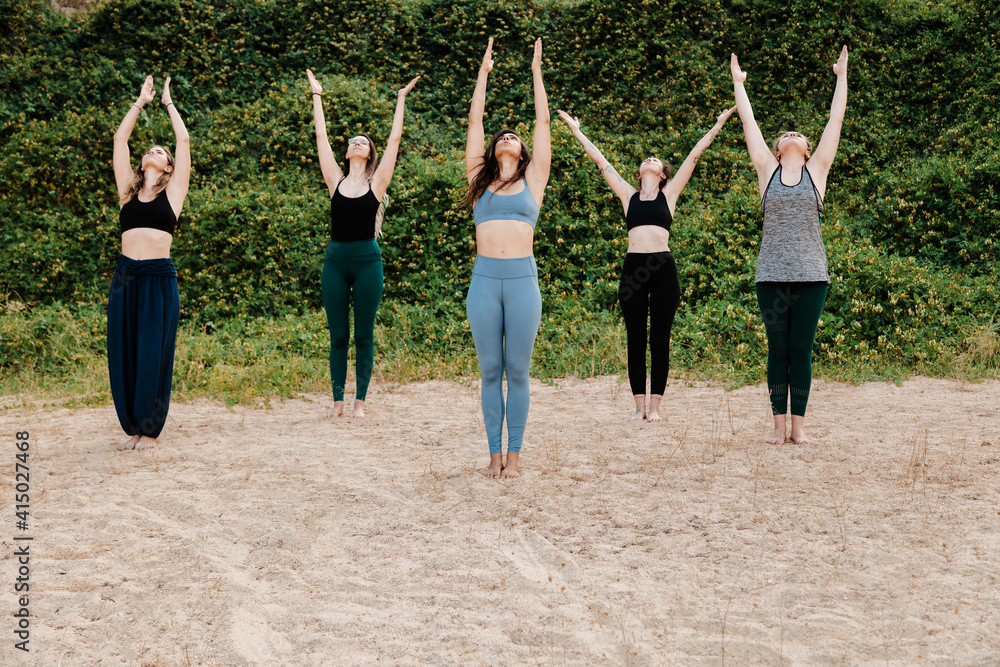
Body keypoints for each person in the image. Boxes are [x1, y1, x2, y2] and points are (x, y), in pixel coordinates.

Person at [558, 106, 735, 421]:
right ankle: (638, 406)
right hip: (633, 271)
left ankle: (655, 408)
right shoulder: (628, 195)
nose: (650, 160)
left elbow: (694, 156)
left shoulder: (670, 194)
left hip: (663, 269)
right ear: (640, 173)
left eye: (656, 161)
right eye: (646, 160)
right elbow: (601, 162)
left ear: (663, 174)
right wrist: (577, 130)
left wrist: (719, 123)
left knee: (660, 339)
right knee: (636, 338)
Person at [730, 46, 849, 444]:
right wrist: (739, 83)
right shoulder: (767, 172)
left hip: (812, 275)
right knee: (776, 350)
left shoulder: (818, 171)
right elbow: (748, 122)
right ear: (778, 149)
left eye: (800, 134)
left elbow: (836, 119)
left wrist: (841, 77)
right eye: (786, 135)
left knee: (801, 350)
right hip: (772, 276)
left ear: (809, 149)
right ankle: (777, 428)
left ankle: (799, 429)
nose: (794, 134)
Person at [307, 69, 419, 419]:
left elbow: (396, 141)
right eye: (352, 140)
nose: (356, 142)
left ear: (370, 153)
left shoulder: (378, 183)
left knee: (363, 334)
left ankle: (360, 402)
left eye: (363, 141)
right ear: (347, 152)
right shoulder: (334, 181)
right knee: (338, 334)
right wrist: (317, 96)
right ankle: (338, 399)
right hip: (335, 262)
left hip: (368, 261)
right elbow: (321, 137)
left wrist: (400, 100)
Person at [465, 38, 550, 478]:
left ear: (521, 152)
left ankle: (514, 456)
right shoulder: (478, 183)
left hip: (522, 281)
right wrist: (483, 74)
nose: (508, 137)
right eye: (503, 136)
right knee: (490, 370)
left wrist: (536, 72)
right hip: (484, 281)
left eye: (514, 137)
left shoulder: (534, 180)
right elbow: (476, 120)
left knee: (517, 369)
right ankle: (493, 455)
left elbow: (542, 120)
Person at [110, 76, 190, 451]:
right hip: (126, 275)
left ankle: (150, 430)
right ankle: (132, 427)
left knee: (153, 352)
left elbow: (184, 142)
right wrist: (140, 103)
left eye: (160, 151)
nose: (153, 151)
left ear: (169, 168)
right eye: (151, 150)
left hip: (158, 278)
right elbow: (120, 141)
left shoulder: (173, 194)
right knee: (124, 349)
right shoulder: (127, 192)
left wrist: (169, 104)